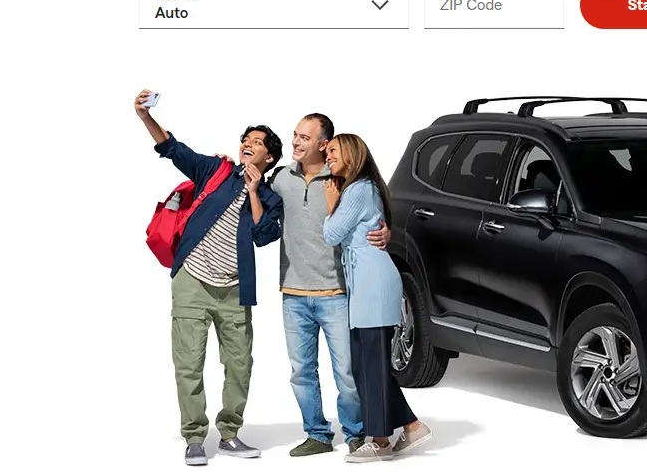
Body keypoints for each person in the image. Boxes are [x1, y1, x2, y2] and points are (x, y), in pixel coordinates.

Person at [135, 90, 284, 467]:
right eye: (246, 140)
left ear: (270, 158)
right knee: (188, 363)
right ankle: (195, 438)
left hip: (235, 290)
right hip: (192, 283)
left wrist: (252, 191)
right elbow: (174, 150)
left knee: (240, 364)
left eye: (258, 143)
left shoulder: (268, 196)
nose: (248, 145)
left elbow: (265, 234)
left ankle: (231, 433)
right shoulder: (214, 171)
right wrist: (145, 117)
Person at [270, 114, 391, 457]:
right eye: (294, 135)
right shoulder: (281, 178)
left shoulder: (342, 179)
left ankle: (355, 432)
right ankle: (318, 434)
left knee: (348, 373)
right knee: (301, 371)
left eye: (303, 138)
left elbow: (374, 212)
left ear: (323, 144)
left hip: (337, 292)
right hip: (293, 293)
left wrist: (386, 232)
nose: (295, 142)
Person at [322, 135, 432, 463]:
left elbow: (331, 234)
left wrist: (331, 204)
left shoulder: (357, 190)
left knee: (370, 365)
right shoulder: (362, 189)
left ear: (352, 155)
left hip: (373, 283)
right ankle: (403, 429)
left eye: (333, 152)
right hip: (367, 282)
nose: (328, 158)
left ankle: (385, 438)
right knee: (367, 365)